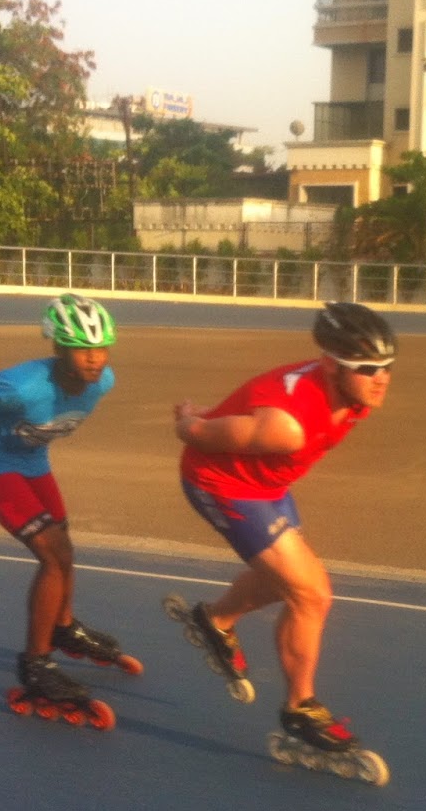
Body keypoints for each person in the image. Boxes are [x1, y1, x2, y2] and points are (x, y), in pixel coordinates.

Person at [169, 301, 395, 753]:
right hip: (223, 485)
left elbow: (249, 404)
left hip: (267, 483)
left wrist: (217, 413)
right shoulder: (287, 427)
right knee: (312, 594)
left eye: (388, 366)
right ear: (331, 365)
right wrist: (190, 418)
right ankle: (300, 708)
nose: (381, 378)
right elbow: (198, 435)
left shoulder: (351, 392)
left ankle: (216, 620)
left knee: (283, 581)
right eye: (367, 368)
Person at [0, 293, 140, 706]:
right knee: (53, 552)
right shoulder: (19, 386)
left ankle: (63, 627)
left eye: (101, 348)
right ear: (59, 348)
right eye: (82, 349)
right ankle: (36, 664)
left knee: (65, 543)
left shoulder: (104, 381)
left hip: (30, 458)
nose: (95, 359)